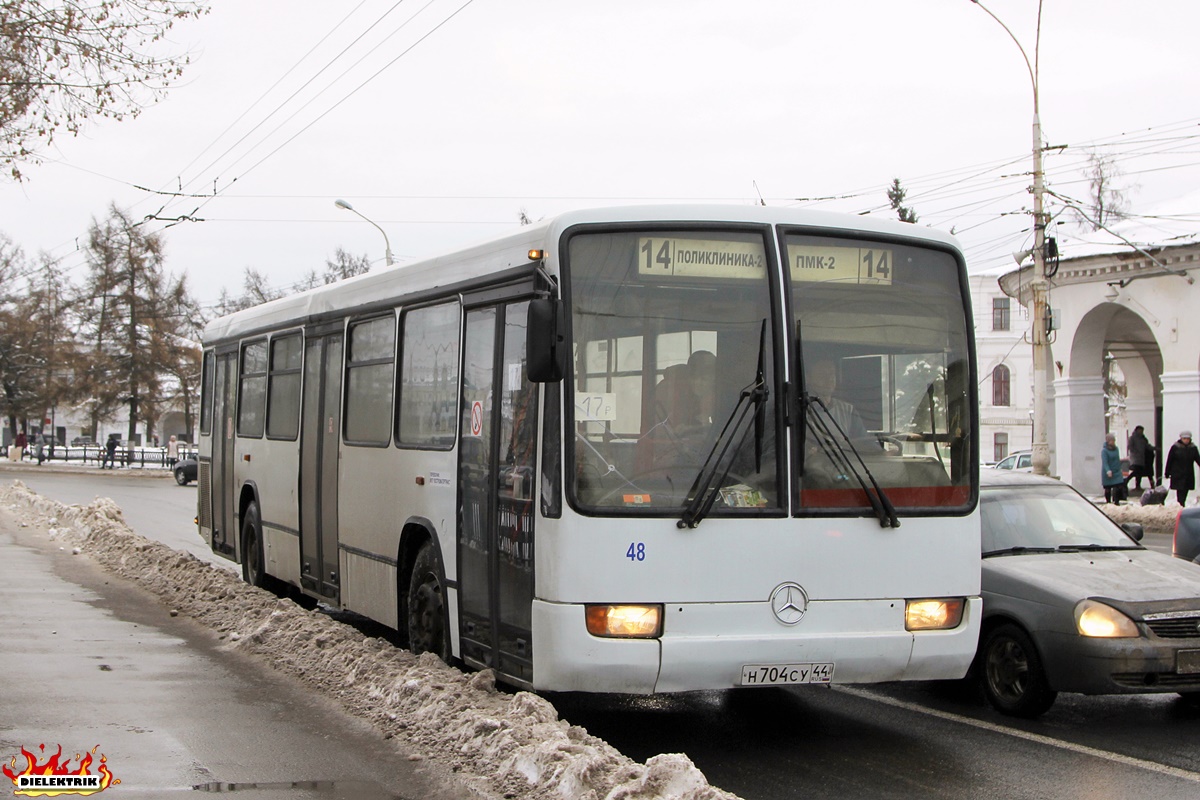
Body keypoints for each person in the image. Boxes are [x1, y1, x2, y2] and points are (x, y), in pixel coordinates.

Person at [805, 358, 869, 440]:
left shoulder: (848, 410)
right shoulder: (802, 410)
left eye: (832, 374)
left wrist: (883, 452)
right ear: (808, 378)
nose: (829, 379)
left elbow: (864, 442)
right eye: (822, 375)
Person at [1164, 430, 1200, 506]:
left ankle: (1181, 504)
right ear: (1181, 438)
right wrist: (1167, 472)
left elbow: (1198, 459)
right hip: (1177, 473)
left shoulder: (1193, 448)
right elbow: (1170, 460)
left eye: (1188, 439)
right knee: (1180, 490)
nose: (1186, 440)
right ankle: (1181, 504)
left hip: (1188, 473)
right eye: (1184, 438)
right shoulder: (1175, 448)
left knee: (1185, 489)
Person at [1125, 425, 1154, 491]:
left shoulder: (1143, 438)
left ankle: (1137, 485)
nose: (1141, 432)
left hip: (1142, 458)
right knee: (1136, 471)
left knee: (1139, 472)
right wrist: (1136, 452)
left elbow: (1147, 446)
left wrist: (1154, 448)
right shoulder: (1132, 438)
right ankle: (1127, 481)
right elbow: (1130, 447)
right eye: (1140, 430)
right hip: (1136, 458)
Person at [1101, 432, 1126, 504]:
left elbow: (1117, 459)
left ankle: (1116, 502)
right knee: (1108, 488)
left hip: (1117, 471)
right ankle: (1108, 502)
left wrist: (1120, 467)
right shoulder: (1104, 451)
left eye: (1114, 440)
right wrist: (1108, 470)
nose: (1113, 442)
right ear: (1108, 441)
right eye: (1112, 440)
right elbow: (1105, 462)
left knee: (1118, 486)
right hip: (1108, 472)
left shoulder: (1116, 449)